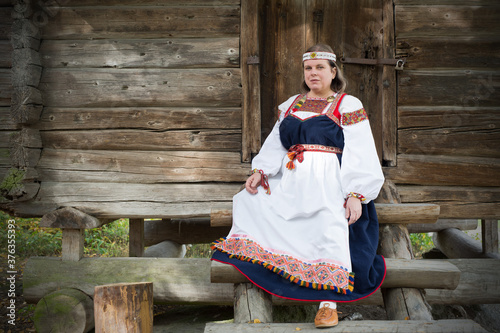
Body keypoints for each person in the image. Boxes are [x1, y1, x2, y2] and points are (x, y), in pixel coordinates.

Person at [211, 44, 386, 328]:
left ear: (333, 71)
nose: (313, 73)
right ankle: (279, 273)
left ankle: (328, 303)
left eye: (320, 68)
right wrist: (260, 171)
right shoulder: (291, 104)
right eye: (308, 68)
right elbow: (275, 143)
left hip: (328, 179)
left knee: (329, 223)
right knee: (249, 200)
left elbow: (361, 150)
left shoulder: (347, 104)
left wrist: (356, 193)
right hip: (292, 179)